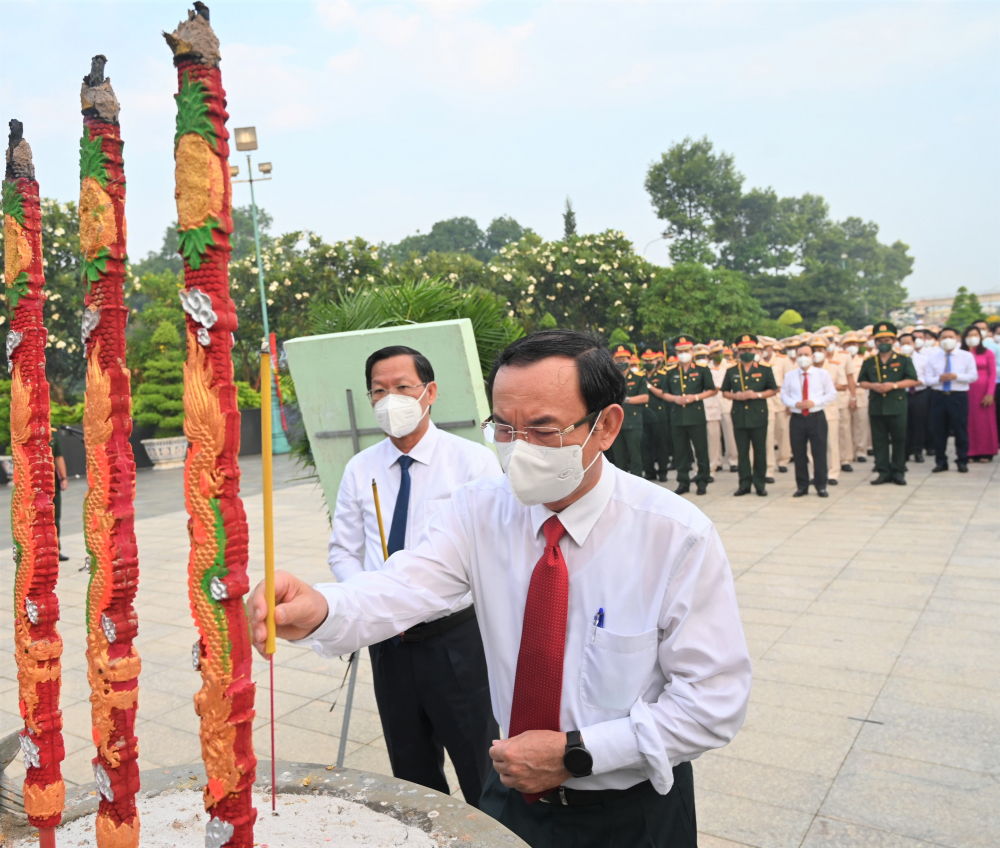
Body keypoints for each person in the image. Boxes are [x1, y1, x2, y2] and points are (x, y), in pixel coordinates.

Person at [248, 329, 751, 848]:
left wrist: (579, 753)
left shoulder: (674, 536)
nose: (520, 450)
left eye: (543, 429)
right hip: (514, 801)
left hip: (633, 810)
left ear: (606, 426)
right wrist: (322, 606)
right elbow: (402, 587)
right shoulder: (480, 509)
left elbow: (713, 702)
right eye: (505, 429)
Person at [326, 344, 501, 805]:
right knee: (411, 773)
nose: (391, 400)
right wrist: (366, 599)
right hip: (389, 643)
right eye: (379, 391)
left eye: (402, 387)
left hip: (454, 641)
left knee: (480, 767)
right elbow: (343, 549)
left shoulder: (472, 463)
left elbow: (485, 553)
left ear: (430, 392)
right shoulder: (360, 469)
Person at [857, 322, 920, 485]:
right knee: (879, 441)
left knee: (899, 439)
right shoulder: (870, 361)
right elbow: (861, 382)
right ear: (875, 342)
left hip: (896, 405)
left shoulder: (903, 359)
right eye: (879, 340)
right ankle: (883, 471)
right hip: (877, 405)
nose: (883, 343)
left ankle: (898, 471)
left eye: (887, 340)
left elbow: (912, 380)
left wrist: (894, 385)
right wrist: (873, 386)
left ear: (893, 341)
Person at [721, 334, 778, 496]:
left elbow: (773, 389)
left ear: (755, 350)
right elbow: (724, 392)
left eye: (749, 349)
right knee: (742, 451)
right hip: (739, 416)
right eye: (743, 349)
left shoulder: (764, 369)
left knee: (760, 450)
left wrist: (757, 395)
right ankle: (744, 483)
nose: (746, 352)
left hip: (758, 414)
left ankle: (760, 483)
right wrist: (735, 396)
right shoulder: (732, 371)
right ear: (738, 352)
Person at [662, 335, 717, 496]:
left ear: (692, 351)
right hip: (677, 416)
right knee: (680, 451)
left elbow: (712, 389)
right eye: (680, 351)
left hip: (696, 415)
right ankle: (683, 481)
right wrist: (674, 399)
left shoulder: (701, 369)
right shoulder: (671, 371)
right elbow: (665, 393)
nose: (683, 354)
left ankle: (702, 481)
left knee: (700, 450)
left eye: (686, 350)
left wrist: (696, 397)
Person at [781, 341, 837, 497]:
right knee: (799, 453)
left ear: (813, 356)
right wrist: (795, 403)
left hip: (816, 416)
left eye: (806, 355)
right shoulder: (790, 376)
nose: (803, 358)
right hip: (797, 418)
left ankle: (821, 485)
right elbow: (784, 395)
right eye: (800, 355)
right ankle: (802, 486)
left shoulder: (822, 374)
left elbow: (831, 393)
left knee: (819, 452)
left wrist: (814, 402)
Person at [926, 327, 977, 472]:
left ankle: (962, 460)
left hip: (958, 396)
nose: (947, 340)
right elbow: (928, 380)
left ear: (957, 338)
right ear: (939, 340)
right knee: (939, 430)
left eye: (950, 336)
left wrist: (957, 376)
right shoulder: (933, 358)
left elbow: (973, 376)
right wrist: (939, 379)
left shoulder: (966, 356)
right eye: (943, 337)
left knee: (960, 430)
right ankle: (941, 462)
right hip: (939, 396)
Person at [609, 346, 648, 475]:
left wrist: (625, 400)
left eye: (623, 358)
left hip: (633, 421)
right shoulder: (611, 379)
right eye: (618, 358)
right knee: (619, 458)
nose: (621, 361)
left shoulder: (638, 377)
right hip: (615, 423)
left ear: (629, 360)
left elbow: (645, 397)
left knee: (635, 456)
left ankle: (637, 484)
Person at [961, 324, 997, 461]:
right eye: (970, 335)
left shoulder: (987, 352)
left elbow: (993, 374)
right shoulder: (961, 353)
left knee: (984, 422)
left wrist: (990, 393)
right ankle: (969, 451)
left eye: (975, 335)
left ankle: (986, 451)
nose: (972, 338)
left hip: (983, 391)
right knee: (967, 421)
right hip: (965, 390)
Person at [811, 336, 844, 486]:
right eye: (814, 350)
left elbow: (843, 385)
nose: (817, 353)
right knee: (811, 445)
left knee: (831, 443)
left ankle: (833, 473)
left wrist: (826, 386)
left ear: (826, 351)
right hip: (810, 410)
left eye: (820, 350)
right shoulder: (805, 368)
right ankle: (815, 473)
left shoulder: (834, 366)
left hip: (829, 409)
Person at [897, 331, 931, 463]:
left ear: (914, 344)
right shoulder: (897, 360)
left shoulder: (923, 360)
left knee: (919, 423)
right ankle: (905, 452)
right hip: (902, 394)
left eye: (908, 343)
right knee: (903, 424)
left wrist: (918, 381)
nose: (906, 346)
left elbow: (928, 377)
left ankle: (918, 451)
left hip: (919, 393)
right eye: (903, 343)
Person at [641, 349, 671, 482]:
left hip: (659, 415)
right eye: (646, 361)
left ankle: (663, 471)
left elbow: (663, 393)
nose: (648, 363)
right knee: (645, 445)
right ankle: (649, 471)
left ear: (656, 361)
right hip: (644, 415)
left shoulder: (663, 375)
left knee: (661, 445)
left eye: (651, 361)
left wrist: (649, 386)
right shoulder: (639, 376)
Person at [708, 341, 737, 473]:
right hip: (711, 404)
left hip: (726, 404)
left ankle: (733, 460)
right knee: (713, 436)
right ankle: (717, 461)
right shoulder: (706, 367)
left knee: (730, 434)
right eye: (715, 353)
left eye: (720, 352)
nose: (718, 355)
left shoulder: (731, 366)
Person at [51, 429, 69, 562]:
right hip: (34, 483)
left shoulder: (53, 433)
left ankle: (56, 550)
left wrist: (63, 478)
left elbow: (59, 456)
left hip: (52, 482)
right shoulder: (27, 430)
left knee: (55, 517)